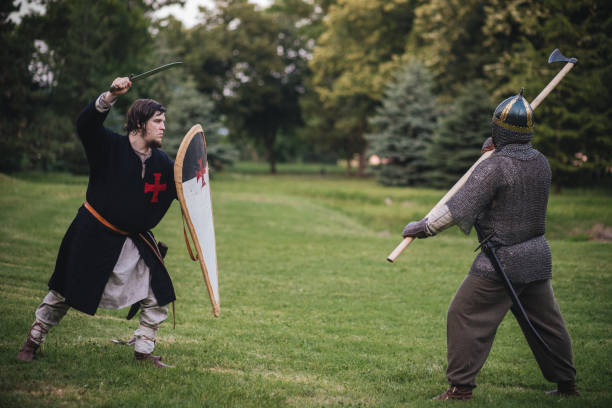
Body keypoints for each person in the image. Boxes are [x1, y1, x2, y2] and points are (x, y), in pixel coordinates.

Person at [401, 89, 578, 400]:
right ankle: (567, 386)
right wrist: (495, 153)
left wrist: (423, 228)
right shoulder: (540, 163)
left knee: (463, 314)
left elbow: (458, 209)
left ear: (498, 129)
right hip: (535, 255)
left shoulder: (494, 167)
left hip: (502, 262)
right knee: (548, 324)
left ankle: (460, 388)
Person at [17, 77, 177, 368]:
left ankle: (143, 350)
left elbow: (181, 191)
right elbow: (86, 125)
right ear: (140, 123)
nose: (163, 126)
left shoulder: (162, 163)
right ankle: (33, 340)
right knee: (64, 291)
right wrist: (111, 95)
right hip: (92, 234)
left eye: (164, 121)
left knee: (159, 289)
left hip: (135, 240)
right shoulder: (108, 146)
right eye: (158, 120)